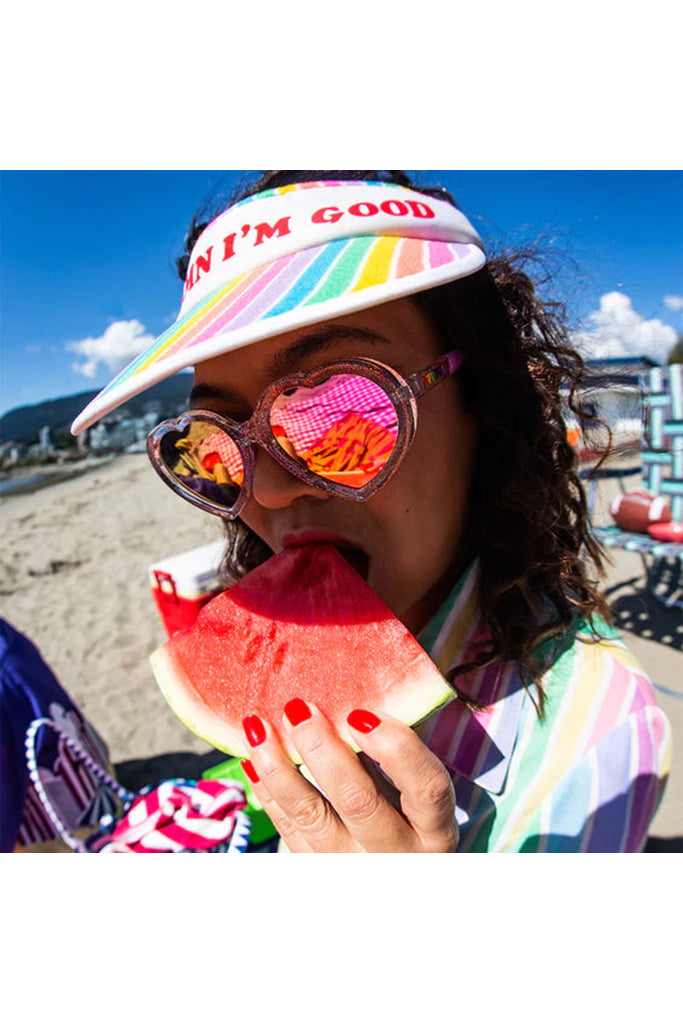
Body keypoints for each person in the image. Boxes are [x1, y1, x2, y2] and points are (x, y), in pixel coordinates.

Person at [72, 171, 671, 852]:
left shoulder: (596, 741)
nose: (265, 492)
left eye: (334, 409)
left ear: (484, 400)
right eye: (211, 444)